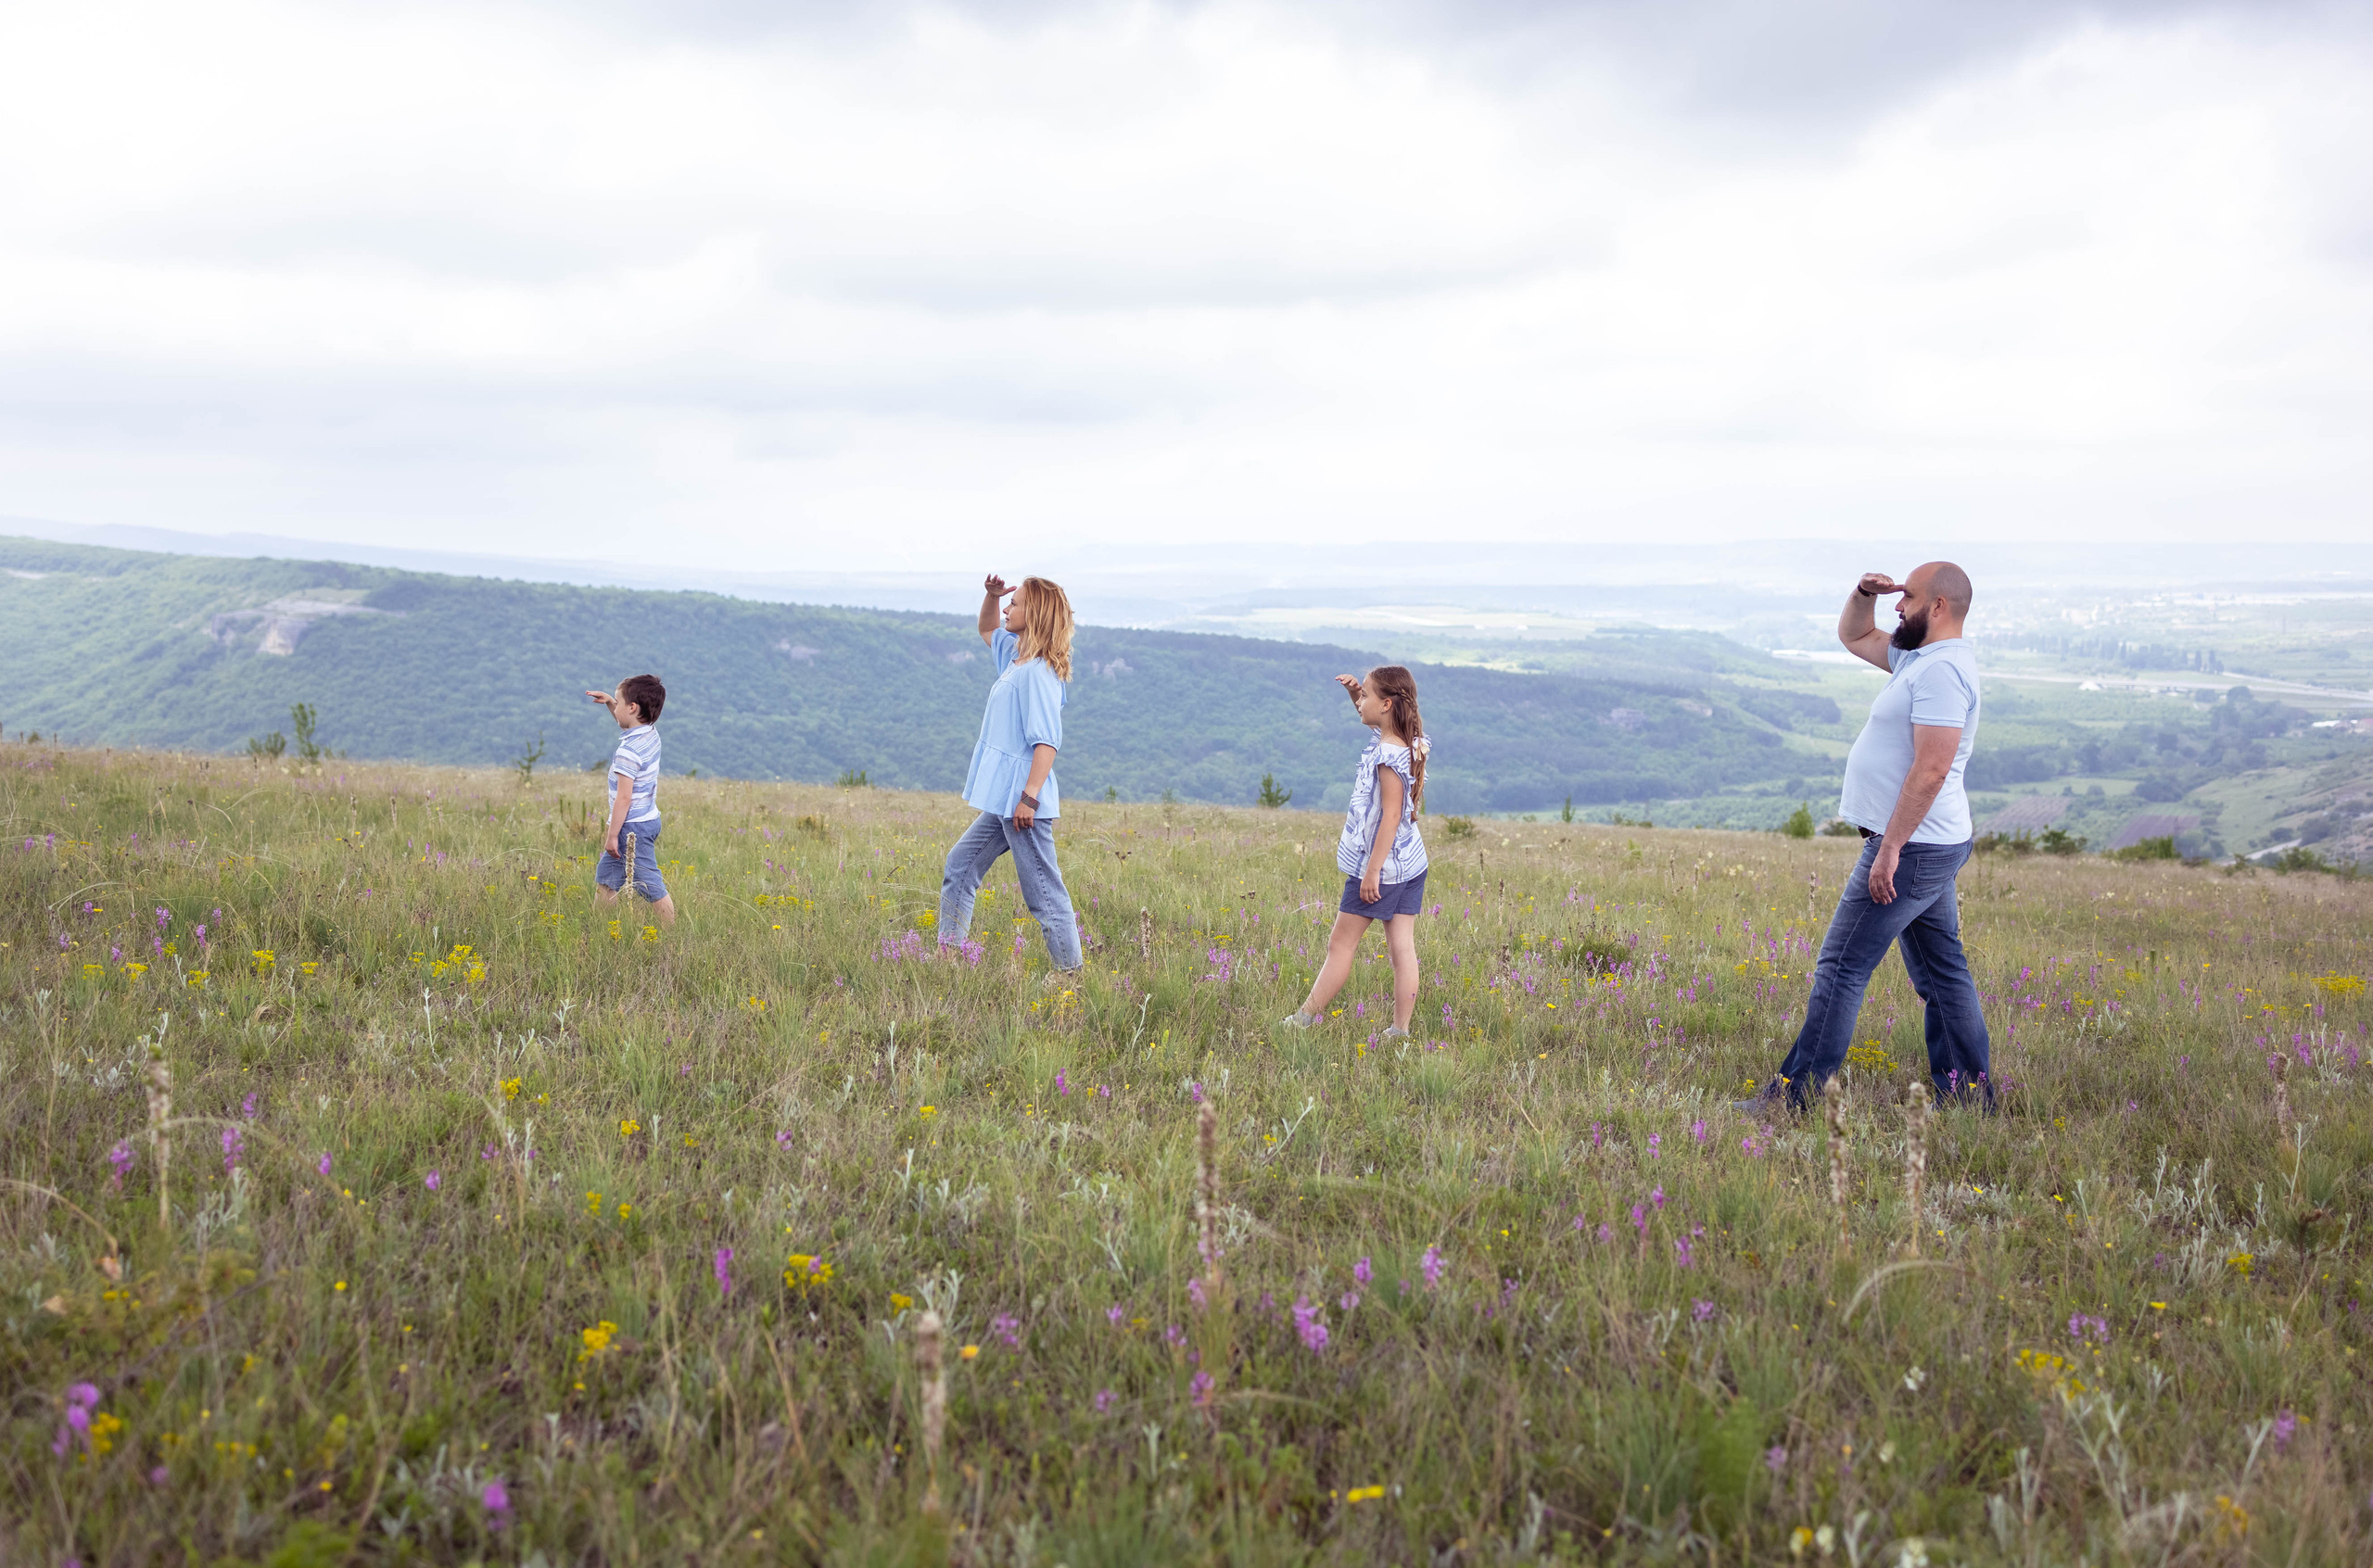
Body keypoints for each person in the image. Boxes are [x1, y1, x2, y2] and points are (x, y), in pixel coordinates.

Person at [1740, 563, 1990, 1112]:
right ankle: (1970, 1096)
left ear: (1940, 606)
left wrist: (1891, 847)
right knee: (1942, 972)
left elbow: (1932, 769)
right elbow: (1855, 635)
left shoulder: (1943, 672)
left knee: (1842, 967)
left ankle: (1797, 1096)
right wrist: (1862, 593)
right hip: (1928, 843)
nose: (1898, 606)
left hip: (1913, 847)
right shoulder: (1920, 658)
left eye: (1909, 597)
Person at [937, 574, 1083, 975]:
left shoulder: (1037, 672)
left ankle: (1071, 978)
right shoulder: (1016, 657)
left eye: (1013, 604)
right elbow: (987, 629)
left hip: (1021, 802)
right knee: (960, 865)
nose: (1006, 608)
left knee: (1044, 895)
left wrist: (1029, 798)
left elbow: (1046, 743)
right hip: (1006, 799)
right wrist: (990, 596)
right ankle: (947, 960)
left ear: (1033, 613)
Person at [1279, 666, 1430, 1041]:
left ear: (1387, 704)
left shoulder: (1387, 756)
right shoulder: (1406, 740)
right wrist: (1355, 695)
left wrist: (1372, 871)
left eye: (1366, 696)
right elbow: (1374, 720)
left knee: (1341, 944)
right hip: (1411, 863)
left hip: (1383, 868)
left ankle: (1302, 1019)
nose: (1360, 702)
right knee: (1402, 949)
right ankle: (1399, 1031)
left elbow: (1390, 817)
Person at [585, 673, 677, 929]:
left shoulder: (628, 751)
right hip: (647, 819)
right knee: (607, 878)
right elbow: (627, 721)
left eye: (619, 702)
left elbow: (624, 797)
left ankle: (670, 933)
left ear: (633, 707)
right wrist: (610, 702)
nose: (616, 708)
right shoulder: (649, 734)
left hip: (631, 827)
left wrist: (612, 836)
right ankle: (601, 929)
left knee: (649, 883)